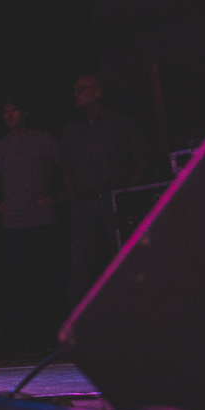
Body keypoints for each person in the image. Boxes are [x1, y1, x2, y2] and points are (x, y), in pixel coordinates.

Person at [0, 97, 66, 355]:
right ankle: (28, 339)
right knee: (20, 282)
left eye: (14, 110)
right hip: (14, 224)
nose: (9, 115)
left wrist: (57, 198)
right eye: (5, 111)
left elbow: (67, 170)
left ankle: (62, 333)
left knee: (54, 276)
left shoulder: (43, 139)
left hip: (43, 221)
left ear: (25, 112)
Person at [60, 73, 147, 306]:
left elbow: (141, 158)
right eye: (75, 89)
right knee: (80, 266)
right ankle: (79, 325)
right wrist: (73, 201)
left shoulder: (120, 124)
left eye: (82, 88)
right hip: (85, 205)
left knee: (123, 258)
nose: (76, 93)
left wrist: (129, 194)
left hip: (114, 201)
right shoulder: (71, 130)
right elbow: (67, 168)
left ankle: (137, 309)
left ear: (98, 92)